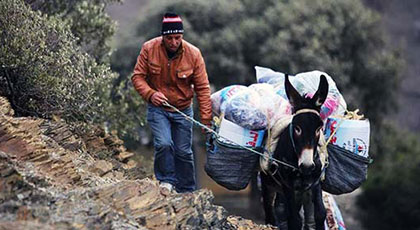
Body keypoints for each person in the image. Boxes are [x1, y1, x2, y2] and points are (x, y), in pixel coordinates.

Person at [131, 12, 212, 195]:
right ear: (163, 37)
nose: (174, 42)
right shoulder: (148, 48)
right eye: (169, 38)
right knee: (164, 144)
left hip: (183, 109)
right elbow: (137, 77)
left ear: (182, 36)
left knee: (184, 152)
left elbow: (203, 88)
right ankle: (166, 181)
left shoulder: (194, 54)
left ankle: (187, 190)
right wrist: (150, 94)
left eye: (178, 38)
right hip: (158, 109)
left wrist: (206, 121)